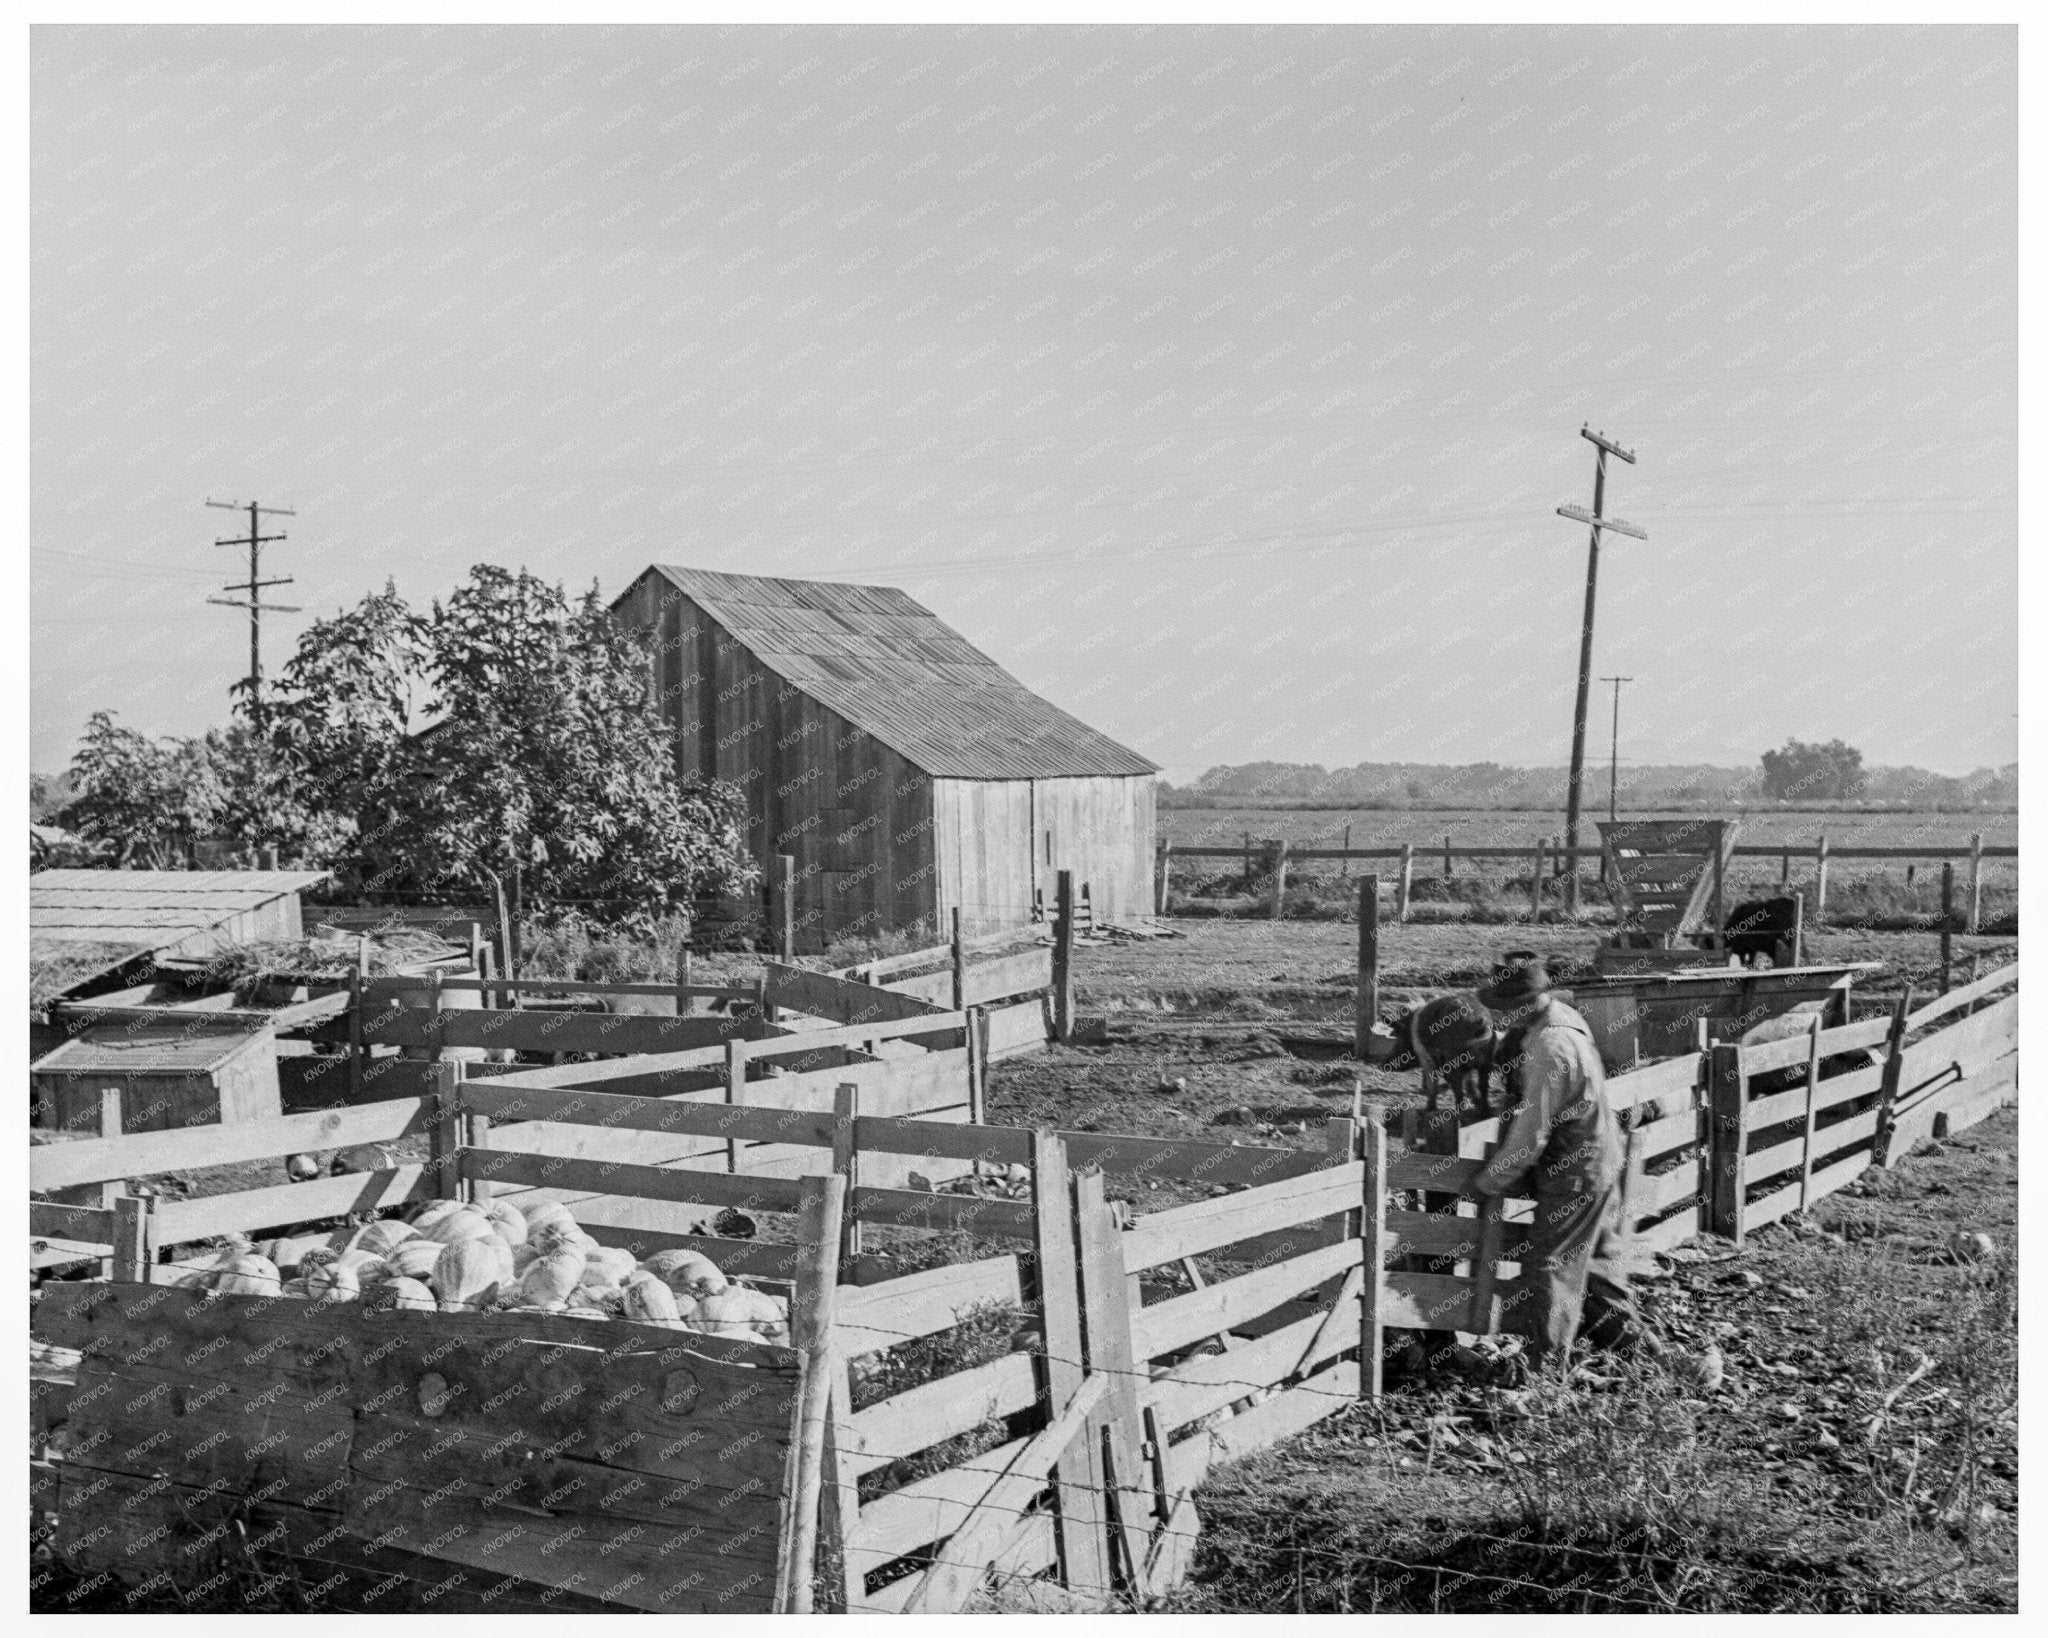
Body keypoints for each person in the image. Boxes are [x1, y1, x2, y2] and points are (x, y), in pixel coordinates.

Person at [1466, 953, 1661, 1377]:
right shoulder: (1563, 1018)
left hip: (1575, 1169)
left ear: (1524, 1003)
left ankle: (1546, 1372)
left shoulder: (1549, 1048)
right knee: (1595, 1265)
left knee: (1551, 1266)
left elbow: (1530, 1134)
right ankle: (1645, 1356)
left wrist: (1488, 1181)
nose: (1497, 1015)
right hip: (1599, 1156)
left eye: (1502, 1006)